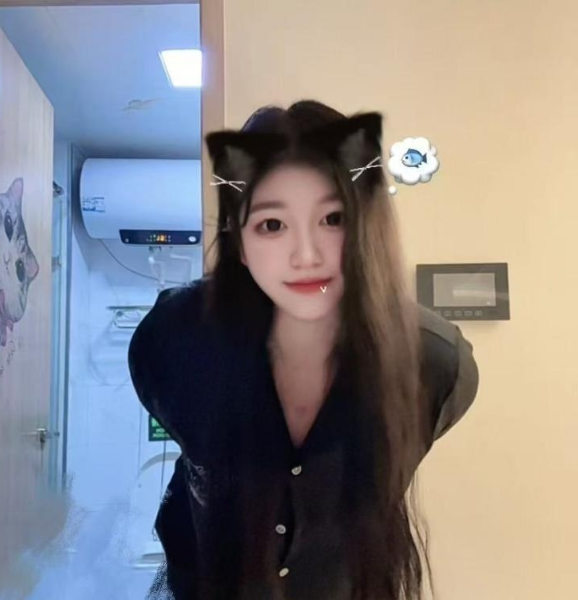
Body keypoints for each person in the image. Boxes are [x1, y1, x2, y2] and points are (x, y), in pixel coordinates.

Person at [128, 100, 480, 600]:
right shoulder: (174, 343)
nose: (306, 255)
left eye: (333, 218)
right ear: (239, 240)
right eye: (273, 224)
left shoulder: (435, 364)